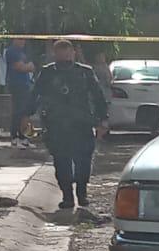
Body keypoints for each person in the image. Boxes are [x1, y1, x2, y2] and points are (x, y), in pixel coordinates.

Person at [33, 39, 109, 211]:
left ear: (73, 53)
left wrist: (103, 120)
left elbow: (98, 97)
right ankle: (67, 195)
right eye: (61, 52)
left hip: (81, 124)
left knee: (83, 161)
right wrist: (25, 115)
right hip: (57, 125)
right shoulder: (48, 73)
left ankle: (82, 192)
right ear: (55, 53)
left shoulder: (85, 72)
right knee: (62, 162)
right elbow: (35, 95)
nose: (65, 56)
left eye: (68, 52)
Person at [3, 37, 36, 149]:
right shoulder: (11, 51)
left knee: (25, 111)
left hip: (25, 84)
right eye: (20, 39)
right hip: (16, 84)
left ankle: (24, 137)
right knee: (18, 110)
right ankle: (15, 137)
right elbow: (20, 67)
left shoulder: (23, 52)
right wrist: (28, 66)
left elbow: (31, 66)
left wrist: (29, 67)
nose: (23, 41)